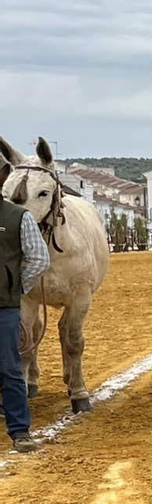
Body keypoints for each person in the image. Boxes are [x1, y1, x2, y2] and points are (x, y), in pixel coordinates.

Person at [2, 193, 49, 453]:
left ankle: (19, 430)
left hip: (3, 306)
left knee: (10, 367)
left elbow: (39, 258)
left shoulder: (18, 217)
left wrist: (15, 288)